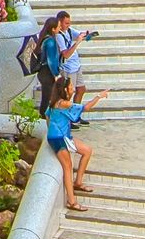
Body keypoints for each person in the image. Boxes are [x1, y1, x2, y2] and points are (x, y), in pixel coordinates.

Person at [46, 78, 108, 211]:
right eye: (71, 86)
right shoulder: (64, 104)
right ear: (65, 89)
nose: (73, 89)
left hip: (62, 136)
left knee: (87, 150)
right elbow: (86, 107)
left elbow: (47, 117)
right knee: (67, 167)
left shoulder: (54, 102)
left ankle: (78, 182)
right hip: (59, 139)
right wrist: (99, 96)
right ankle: (72, 201)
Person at [40, 10, 88, 102]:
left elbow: (80, 34)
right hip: (68, 68)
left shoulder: (68, 30)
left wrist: (87, 34)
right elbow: (65, 55)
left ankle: (75, 110)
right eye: (66, 23)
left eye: (69, 23)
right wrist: (77, 42)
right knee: (68, 94)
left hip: (76, 65)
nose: (68, 25)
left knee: (81, 89)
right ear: (59, 23)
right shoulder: (58, 36)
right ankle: (64, 110)